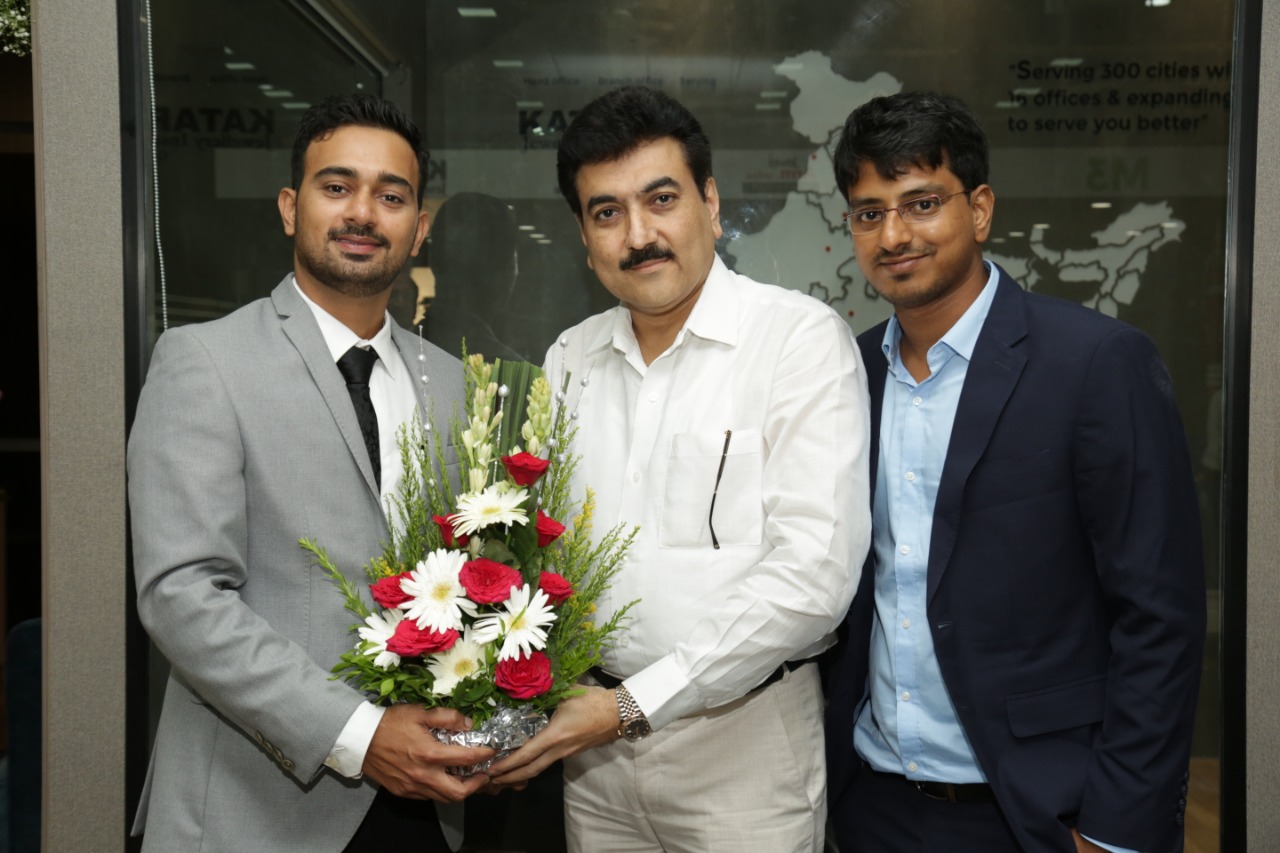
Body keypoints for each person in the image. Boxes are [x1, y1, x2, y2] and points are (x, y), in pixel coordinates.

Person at [488, 85, 872, 853]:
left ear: (711, 204)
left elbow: (814, 577)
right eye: (607, 212)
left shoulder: (797, 341)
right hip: (591, 754)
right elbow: (541, 551)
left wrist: (634, 703)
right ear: (584, 236)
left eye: (661, 199)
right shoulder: (570, 357)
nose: (640, 235)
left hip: (743, 751)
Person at [823, 91, 1206, 853]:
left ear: (980, 209)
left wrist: (1117, 827)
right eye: (869, 213)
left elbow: (1159, 615)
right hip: (873, 803)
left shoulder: (1096, 363)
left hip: (1040, 813)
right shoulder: (844, 373)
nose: (894, 235)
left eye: (921, 202)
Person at [128, 94, 494, 853]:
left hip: (428, 807)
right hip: (255, 810)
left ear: (419, 227)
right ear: (291, 208)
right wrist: (358, 733)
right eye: (337, 187)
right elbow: (182, 595)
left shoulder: (456, 387)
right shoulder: (205, 362)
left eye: (391, 196)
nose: (363, 212)